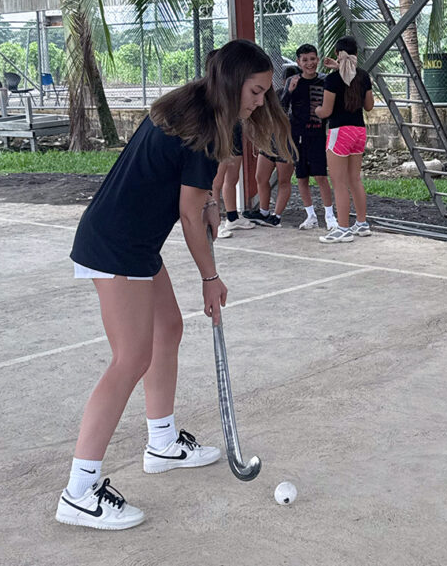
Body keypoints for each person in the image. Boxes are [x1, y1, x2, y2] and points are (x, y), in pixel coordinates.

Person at [57, 40, 292, 530]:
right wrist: (210, 278)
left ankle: (161, 443)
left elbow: (189, 190)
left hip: (135, 242)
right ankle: (80, 490)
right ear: (232, 84)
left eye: (265, 92)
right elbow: (188, 216)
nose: (260, 101)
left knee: (168, 329)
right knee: (131, 358)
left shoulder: (195, 104)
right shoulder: (208, 126)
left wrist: (209, 199)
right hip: (116, 244)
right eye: (255, 91)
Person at [315, 36, 375, 243]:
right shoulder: (363, 76)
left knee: (338, 182)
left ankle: (342, 228)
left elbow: (326, 111)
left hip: (339, 132)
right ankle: (362, 223)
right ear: (356, 54)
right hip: (359, 131)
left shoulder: (332, 80)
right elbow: (369, 106)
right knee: (354, 179)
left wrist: (316, 110)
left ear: (338, 53)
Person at [281, 44, 336, 230]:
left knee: (321, 176)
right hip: (297, 136)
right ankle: (310, 215)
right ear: (298, 62)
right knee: (301, 177)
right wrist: (289, 91)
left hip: (317, 135)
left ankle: (330, 217)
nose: (309, 63)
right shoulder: (292, 81)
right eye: (305, 60)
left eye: (312, 59)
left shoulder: (325, 80)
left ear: (317, 59)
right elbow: (282, 107)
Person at [213, 121, 256, 238]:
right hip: (221, 128)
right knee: (216, 182)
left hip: (234, 127)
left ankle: (232, 218)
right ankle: (214, 224)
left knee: (233, 177)